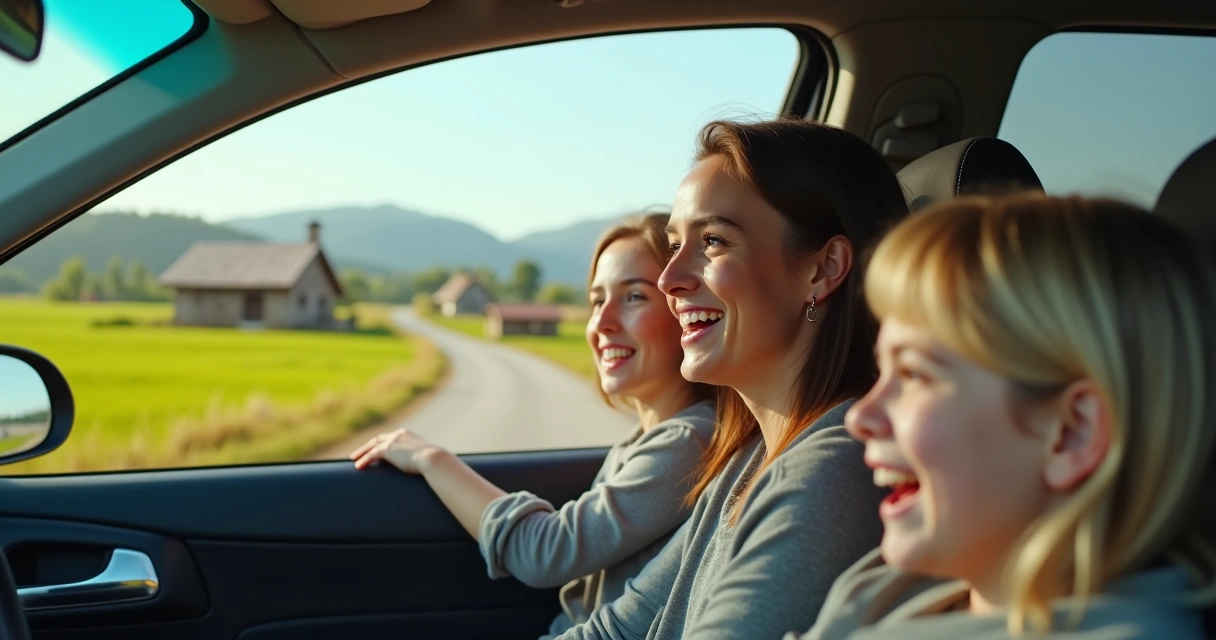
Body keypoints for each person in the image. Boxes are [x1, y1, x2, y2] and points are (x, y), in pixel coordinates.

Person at [798, 194, 1216, 639]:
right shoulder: (889, 586)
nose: (860, 417)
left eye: (914, 374)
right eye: (883, 371)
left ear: (1070, 433)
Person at [557, 118, 908, 640]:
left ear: (822, 269)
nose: (669, 279)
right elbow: (615, 628)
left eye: (714, 241)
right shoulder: (746, 460)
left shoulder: (829, 472)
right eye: (675, 244)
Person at [350, 213, 717, 637]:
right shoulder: (652, 439)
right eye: (597, 301)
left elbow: (546, 553)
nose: (603, 323)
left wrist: (432, 459)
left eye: (634, 296)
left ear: (686, 311)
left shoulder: (689, 440)